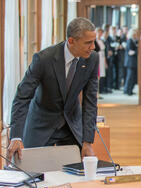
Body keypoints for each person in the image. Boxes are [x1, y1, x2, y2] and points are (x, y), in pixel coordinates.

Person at [7, 17, 99, 161]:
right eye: (88, 43)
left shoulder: (92, 59)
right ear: (71, 41)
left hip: (71, 126)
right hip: (41, 123)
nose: (93, 47)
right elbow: (22, 97)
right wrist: (16, 136)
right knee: (32, 172)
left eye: (94, 41)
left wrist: (88, 141)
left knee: (75, 174)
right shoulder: (43, 59)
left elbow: (90, 102)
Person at [124, 28, 139, 96]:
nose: (136, 35)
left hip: (133, 62)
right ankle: (127, 90)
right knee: (129, 77)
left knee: (132, 77)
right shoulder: (130, 41)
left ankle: (130, 90)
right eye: (135, 34)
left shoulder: (134, 41)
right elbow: (130, 52)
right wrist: (137, 51)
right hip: (130, 62)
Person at [95, 27, 108, 94]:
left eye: (101, 33)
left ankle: (99, 92)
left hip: (102, 57)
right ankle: (96, 92)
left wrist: (105, 62)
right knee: (97, 75)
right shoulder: (95, 41)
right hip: (98, 57)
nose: (100, 34)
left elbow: (104, 52)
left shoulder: (102, 40)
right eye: (99, 32)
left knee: (101, 75)